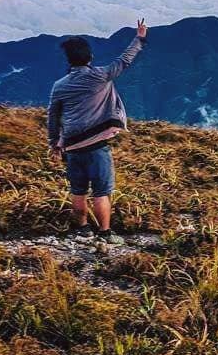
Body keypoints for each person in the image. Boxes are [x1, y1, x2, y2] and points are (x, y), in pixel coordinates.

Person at [48, 19, 148, 244]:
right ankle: (105, 233)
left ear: (69, 60)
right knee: (101, 191)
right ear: (89, 57)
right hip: (97, 146)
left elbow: (53, 117)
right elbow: (125, 60)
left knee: (78, 191)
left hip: (72, 146)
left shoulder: (59, 86)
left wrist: (54, 144)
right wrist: (140, 37)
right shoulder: (101, 75)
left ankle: (82, 229)